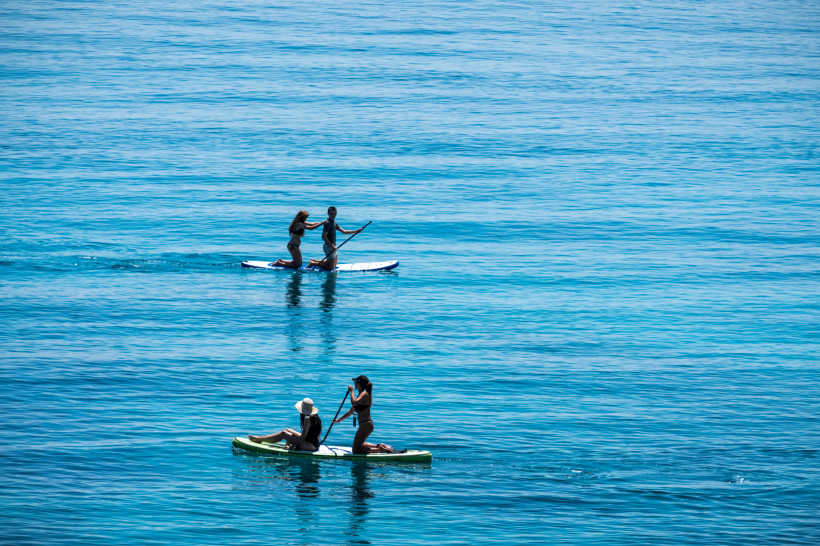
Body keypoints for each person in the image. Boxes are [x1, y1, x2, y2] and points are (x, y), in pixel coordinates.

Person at [333, 375, 392, 454]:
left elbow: (354, 402)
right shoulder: (361, 395)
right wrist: (339, 420)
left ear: (359, 384)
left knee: (356, 450)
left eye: (355, 382)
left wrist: (351, 391)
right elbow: (350, 412)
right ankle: (379, 446)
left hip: (366, 425)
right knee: (362, 445)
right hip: (365, 425)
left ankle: (380, 450)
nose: (354, 384)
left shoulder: (364, 394)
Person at [248, 398, 322, 451]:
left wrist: (292, 447)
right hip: (314, 444)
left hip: (310, 446)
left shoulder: (307, 419)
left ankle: (259, 439)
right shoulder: (316, 417)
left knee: (284, 433)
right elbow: (316, 435)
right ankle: (260, 438)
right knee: (287, 430)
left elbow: (303, 437)